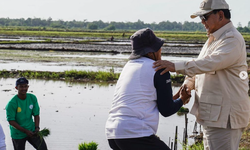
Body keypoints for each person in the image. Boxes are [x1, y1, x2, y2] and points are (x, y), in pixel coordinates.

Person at [153, 0, 250, 149]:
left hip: (225, 118)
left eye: (205, 17)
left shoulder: (232, 39)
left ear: (220, 15)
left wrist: (175, 66)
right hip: (215, 115)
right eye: (201, 18)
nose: (202, 22)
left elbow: (210, 63)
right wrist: (187, 85)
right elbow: (200, 67)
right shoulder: (214, 39)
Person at [105, 28, 191, 150]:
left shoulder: (129, 66)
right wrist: (183, 100)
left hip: (113, 133)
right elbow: (166, 110)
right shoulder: (159, 69)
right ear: (151, 52)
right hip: (135, 133)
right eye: (159, 47)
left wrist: (177, 97)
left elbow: (146, 100)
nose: (161, 51)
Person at [5, 77, 47, 150]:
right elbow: (11, 121)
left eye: (25, 86)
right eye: (21, 87)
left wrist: (37, 128)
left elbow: (36, 114)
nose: (23, 88)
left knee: (43, 148)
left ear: (28, 87)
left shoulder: (32, 98)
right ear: (16, 88)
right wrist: (25, 131)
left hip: (32, 130)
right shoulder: (12, 103)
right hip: (18, 134)